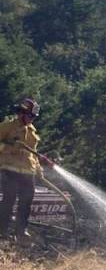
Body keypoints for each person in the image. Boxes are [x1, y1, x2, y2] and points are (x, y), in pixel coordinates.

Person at [0, 97, 53, 240]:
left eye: (34, 117)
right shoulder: (7, 127)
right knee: (9, 200)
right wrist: (9, 146)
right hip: (9, 169)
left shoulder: (32, 132)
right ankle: (2, 232)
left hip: (27, 172)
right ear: (21, 113)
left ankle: (21, 231)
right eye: (30, 116)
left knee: (26, 202)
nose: (32, 119)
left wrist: (39, 173)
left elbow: (33, 155)